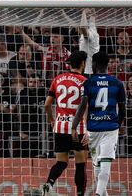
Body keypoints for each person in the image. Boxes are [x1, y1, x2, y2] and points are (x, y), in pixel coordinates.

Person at [71, 51, 126, 196]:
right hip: (110, 127)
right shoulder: (118, 83)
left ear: (93, 64)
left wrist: (74, 126)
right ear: (108, 65)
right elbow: (123, 109)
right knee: (104, 163)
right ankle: (101, 194)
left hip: (93, 128)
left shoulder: (88, 83)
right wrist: (117, 125)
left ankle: (99, 194)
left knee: (97, 164)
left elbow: (83, 106)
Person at [43, 51, 89, 196]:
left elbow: (46, 105)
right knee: (80, 164)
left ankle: (49, 184)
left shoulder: (58, 79)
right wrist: (87, 128)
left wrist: (52, 120)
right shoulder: (85, 81)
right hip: (78, 128)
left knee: (61, 162)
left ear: (69, 64)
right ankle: (80, 193)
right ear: (82, 64)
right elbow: (86, 106)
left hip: (60, 126)